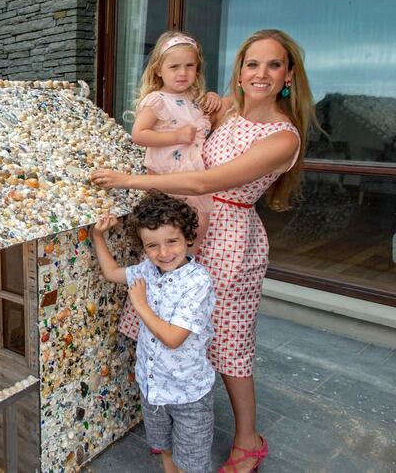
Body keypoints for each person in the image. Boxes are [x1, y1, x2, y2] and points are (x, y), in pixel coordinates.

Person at [92, 28, 317, 473]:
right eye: (252, 63)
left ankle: (248, 441)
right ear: (240, 70)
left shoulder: (283, 137)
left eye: (274, 65)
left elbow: (205, 181)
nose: (261, 73)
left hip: (230, 236)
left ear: (288, 75)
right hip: (193, 224)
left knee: (228, 343)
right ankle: (175, 409)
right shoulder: (227, 107)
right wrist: (211, 101)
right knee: (171, 318)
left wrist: (129, 180)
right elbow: (189, 128)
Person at [91, 191, 216, 473]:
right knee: (166, 451)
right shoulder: (149, 269)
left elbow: (173, 338)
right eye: (152, 246)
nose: (163, 253)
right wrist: (97, 236)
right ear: (144, 248)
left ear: (187, 237)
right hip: (154, 389)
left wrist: (140, 304)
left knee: (193, 465)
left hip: (189, 394)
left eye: (171, 241)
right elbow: (112, 273)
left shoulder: (197, 282)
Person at [129, 31, 221, 252]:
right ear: (159, 70)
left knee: (198, 225)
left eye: (189, 66)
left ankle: (187, 267)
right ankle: (166, 274)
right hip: (166, 178)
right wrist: (175, 137)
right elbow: (138, 134)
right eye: (174, 67)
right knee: (167, 229)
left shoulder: (195, 99)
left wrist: (213, 97)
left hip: (191, 176)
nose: (183, 72)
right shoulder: (158, 101)